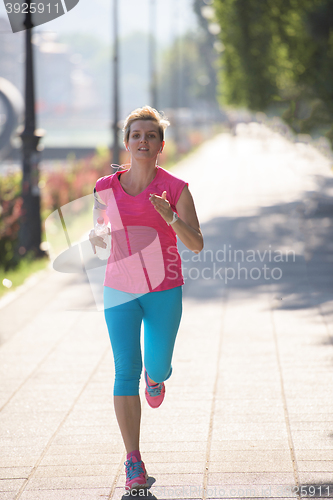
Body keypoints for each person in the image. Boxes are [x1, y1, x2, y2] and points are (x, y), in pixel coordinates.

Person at [89, 106, 203, 493]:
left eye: (150, 136)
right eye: (136, 135)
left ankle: (157, 378)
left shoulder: (175, 188)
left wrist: (171, 217)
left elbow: (197, 244)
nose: (142, 141)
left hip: (164, 290)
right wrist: (97, 239)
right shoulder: (105, 187)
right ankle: (133, 460)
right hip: (118, 289)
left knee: (157, 365)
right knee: (125, 371)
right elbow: (100, 234)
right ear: (126, 143)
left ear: (160, 146)